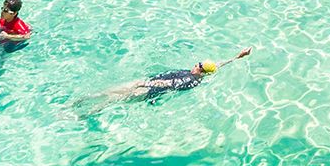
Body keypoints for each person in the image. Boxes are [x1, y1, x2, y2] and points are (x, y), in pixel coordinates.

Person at [97, 48, 252, 103]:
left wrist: (145, 84)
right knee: (111, 93)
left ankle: (87, 112)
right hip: (148, 84)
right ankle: (83, 103)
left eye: (198, 64)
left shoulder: (189, 79)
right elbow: (218, 65)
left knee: (114, 98)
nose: (195, 64)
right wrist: (238, 56)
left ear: (200, 69)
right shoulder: (201, 76)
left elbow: (169, 84)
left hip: (148, 90)